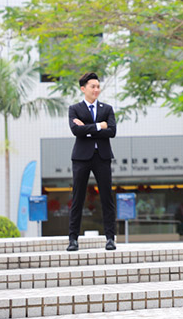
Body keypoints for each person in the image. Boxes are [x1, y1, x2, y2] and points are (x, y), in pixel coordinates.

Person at [67, 72, 117, 251]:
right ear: (83, 89)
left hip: (102, 157)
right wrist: (98, 126)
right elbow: (75, 130)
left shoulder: (107, 109)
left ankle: (110, 238)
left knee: (106, 198)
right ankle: (73, 239)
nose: (96, 89)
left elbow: (111, 131)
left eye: (98, 86)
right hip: (81, 158)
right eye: (92, 86)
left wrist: (87, 129)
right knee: (77, 197)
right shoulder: (74, 109)